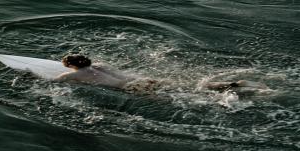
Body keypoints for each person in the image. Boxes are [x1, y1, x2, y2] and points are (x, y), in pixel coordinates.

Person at [54, 53, 267, 94]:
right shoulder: (98, 65)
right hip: (141, 80)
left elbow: (55, 81)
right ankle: (235, 84)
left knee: (191, 95)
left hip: (133, 88)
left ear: (71, 66)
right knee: (190, 88)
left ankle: (236, 87)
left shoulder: (73, 76)